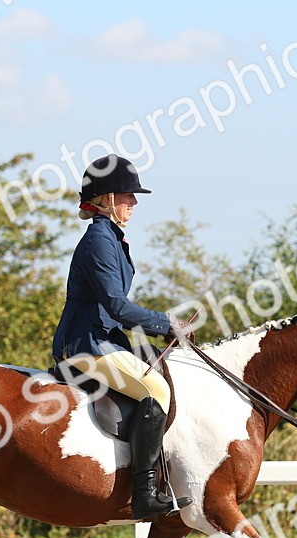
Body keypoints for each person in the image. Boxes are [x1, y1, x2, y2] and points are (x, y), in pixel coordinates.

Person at [51, 154, 192, 519]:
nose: (134, 202)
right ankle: (144, 493)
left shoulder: (110, 238)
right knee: (156, 390)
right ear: (108, 199)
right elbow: (115, 305)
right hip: (85, 346)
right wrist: (166, 322)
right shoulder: (99, 239)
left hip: (103, 341)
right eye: (128, 195)